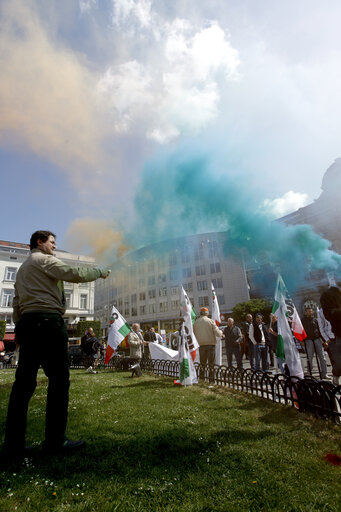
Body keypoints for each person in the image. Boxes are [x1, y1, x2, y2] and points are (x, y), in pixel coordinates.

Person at [1, 230, 111, 462]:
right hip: (48, 323)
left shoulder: (22, 270)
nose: (54, 246)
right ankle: (55, 441)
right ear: (40, 243)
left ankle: (13, 446)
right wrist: (99, 271)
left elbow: (17, 302)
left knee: (23, 385)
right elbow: (73, 272)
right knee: (60, 380)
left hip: (28, 323)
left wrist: (20, 326)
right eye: (52, 242)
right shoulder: (44, 260)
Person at [193, 307, 223, 383]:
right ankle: (211, 380)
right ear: (206, 313)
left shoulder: (196, 322)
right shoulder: (210, 321)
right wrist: (222, 333)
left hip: (201, 345)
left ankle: (202, 379)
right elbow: (217, 333)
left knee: (202, 363)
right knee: (211, 364)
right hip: (210, 345)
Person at [320, 286, 341, 385]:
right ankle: (336, 375)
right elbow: (324, 323)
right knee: (338, 361)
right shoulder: (327, 310)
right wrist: (326, 339)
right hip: (336, 336)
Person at [301, 307, 328, 380]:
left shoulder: (315, 320)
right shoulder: (302, 320)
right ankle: (309, 372)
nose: (310, 312)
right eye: (309, 311)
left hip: (317, 339)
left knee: (322, 357)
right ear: (306, 312)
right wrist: (301, 341)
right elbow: (301, 331)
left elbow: (320, 330)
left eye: (311, 311)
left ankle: (324, 373)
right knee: (309, 357)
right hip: (308, 340)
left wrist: (324, 340)